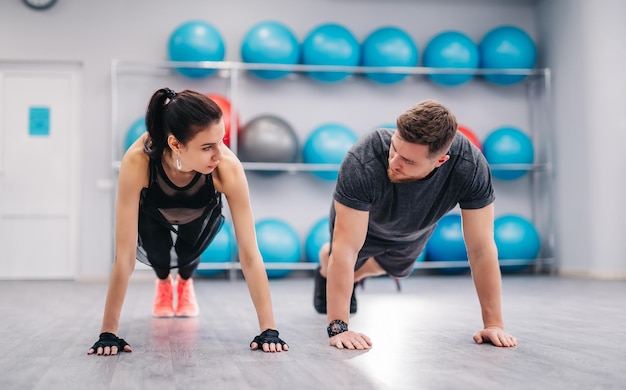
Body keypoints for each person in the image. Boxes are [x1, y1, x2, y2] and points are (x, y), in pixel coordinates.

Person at [88, 88, 288, 355]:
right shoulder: (138, 161)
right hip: (153, 210)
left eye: (221, 141)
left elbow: (250, 255)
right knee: (158, 258)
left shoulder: (227, 167)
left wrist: (269, 331)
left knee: (186, 255)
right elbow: (123, 257)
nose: (219, 154)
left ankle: (183, 283)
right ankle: (163, 283)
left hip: (198, 209)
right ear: (175, 144)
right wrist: (108, 333)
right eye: (207, 147)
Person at [313, 99, 517, 350]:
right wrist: (339, 328)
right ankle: (327, 266)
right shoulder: (363, 159)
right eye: (394, 148)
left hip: (414, 228)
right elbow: (345, 249)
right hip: (363, 222)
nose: (394, 162)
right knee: (340, 257)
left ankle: (341, 270)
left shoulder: (469, 167)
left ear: (441, 161)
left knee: (395, 270)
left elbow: (481, 249)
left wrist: (494, 325)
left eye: (408, 161)